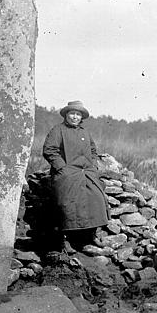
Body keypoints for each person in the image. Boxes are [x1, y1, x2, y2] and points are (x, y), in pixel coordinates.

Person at [42, 101, 109, 253]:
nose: (74, 117)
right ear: (66, 115)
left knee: (96, 199)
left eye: (78, 114)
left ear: (81, 117)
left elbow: (92, 150)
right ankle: (64, 241)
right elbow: (49, 150)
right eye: (72, 113)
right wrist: (62, 168)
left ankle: (90, 235)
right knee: (67, 204)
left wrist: (93, 166)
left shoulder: (85, 132)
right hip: (67, 174)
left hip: (87, 173)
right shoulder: (58, 130)